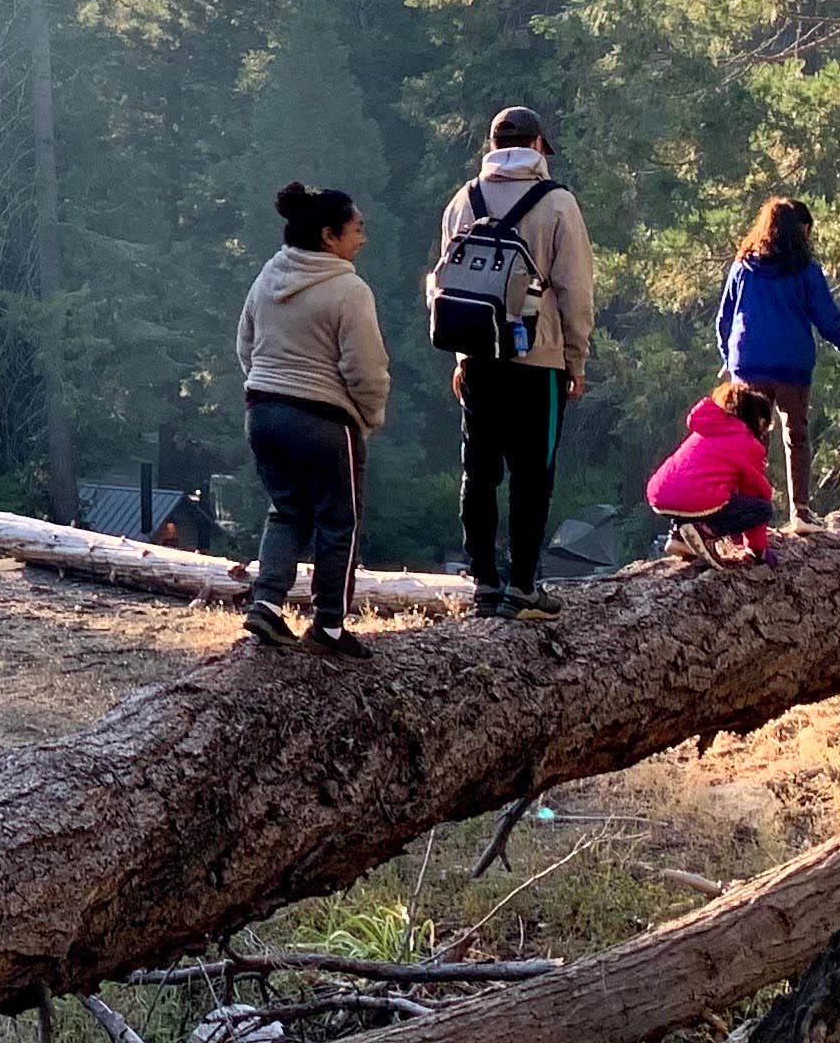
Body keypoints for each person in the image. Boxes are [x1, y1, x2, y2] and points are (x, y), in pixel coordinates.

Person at [432, 107, 597, 618]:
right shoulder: (557, 203)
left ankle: (482, 581)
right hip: (538, 357)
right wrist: (575, 358)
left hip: (479, 355)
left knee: (478, 471)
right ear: (539, 146)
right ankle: (523, 586)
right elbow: (575, 287)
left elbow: (448, 282)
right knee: (533, 473)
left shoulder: (464, 199)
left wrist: (462, 355)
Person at [234, 180, 391, 652]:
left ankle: (265, 606)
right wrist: (369, 416)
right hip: (323, 421)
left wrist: (268, 386)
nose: (363, 237)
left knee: (287, 511)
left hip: (262, 412)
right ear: (329, 236)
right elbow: (366, 367)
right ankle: (329, 626)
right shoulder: (349, 288)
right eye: (357, 228)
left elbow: (245, 343)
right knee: (338, 520)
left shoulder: (268, 277)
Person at [713, 196, 840, 524]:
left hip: (748, 362)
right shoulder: (805, 271)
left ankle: (748, 519)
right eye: (807, 231)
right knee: (797, 435)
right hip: (791, 364)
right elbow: (828, 322)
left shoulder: (743, 266)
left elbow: (725, 318)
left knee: (751, 442)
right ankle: (801, 513)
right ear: (799, 231)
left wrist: (728, 357)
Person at [646, 379, 781, 565]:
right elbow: (755, 492)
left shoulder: (707, 429)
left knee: (704, 492)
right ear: (760, 421)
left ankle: (678, 536)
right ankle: (706, 531)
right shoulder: (748, 443)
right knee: (762, 509)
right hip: (695, 498)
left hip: (659, 495)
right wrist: (757, 550)